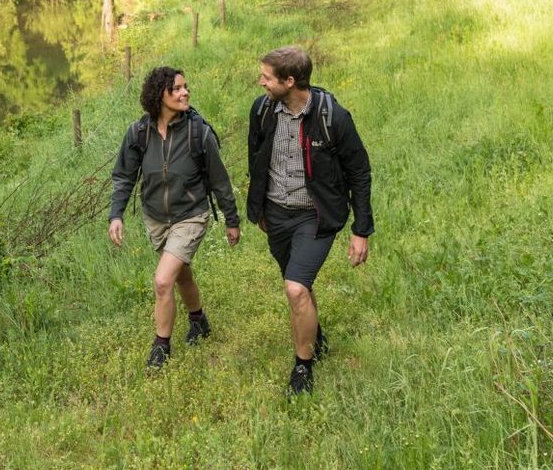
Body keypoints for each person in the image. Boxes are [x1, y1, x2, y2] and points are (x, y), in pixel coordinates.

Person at [247, 45, 373, 396]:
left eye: (266, 77)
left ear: (290, 81)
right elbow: (256, 158)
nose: (261, 82)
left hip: (315, 216)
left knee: (295, 288)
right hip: (276, 214)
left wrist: (361, 230)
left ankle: (303, 368)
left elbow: (360, 172)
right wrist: (260, 207)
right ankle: (316, 338)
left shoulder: (333, 117)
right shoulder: (262, 111)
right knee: (299, 282)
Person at [108, 66, 240, 371]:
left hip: (190, 215)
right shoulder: (139, 133)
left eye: (185, 87)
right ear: (159, 95)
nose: (185, 93)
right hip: (155, 217)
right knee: (181, 275)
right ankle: (199, 320)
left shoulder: (198, 132)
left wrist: (231, 220)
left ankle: (161, 347)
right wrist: (116, 215)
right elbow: (124, 176)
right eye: (177, 89)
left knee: (163, 280)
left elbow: (220, 181)